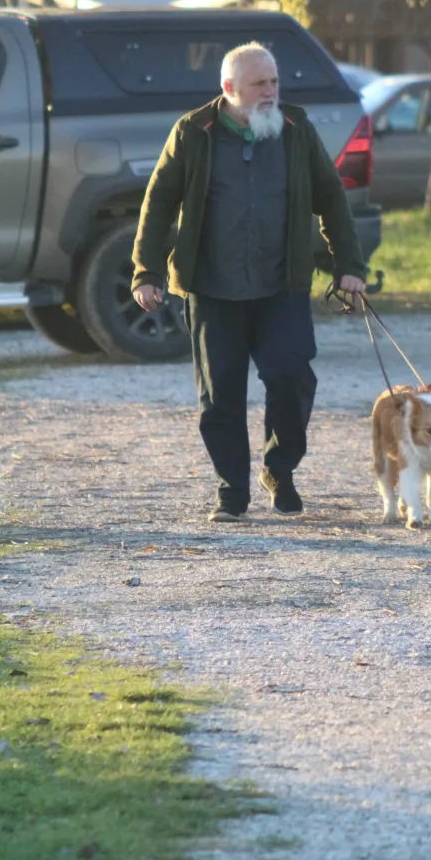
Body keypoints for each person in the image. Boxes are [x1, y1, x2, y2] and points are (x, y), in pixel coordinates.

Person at [131, 42, 366, 521]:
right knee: (220, 397)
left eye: (274, 82)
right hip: (212, 289)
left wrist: (350, 264)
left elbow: (330, 196)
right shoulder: (193, 132)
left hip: (282, 285)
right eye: (259, 84)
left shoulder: (296, 129)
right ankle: (232, 489)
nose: (270, 92)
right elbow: (158, 203)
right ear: (229, 89)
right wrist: (146, 271)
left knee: (292, 378)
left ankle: (280, 469)